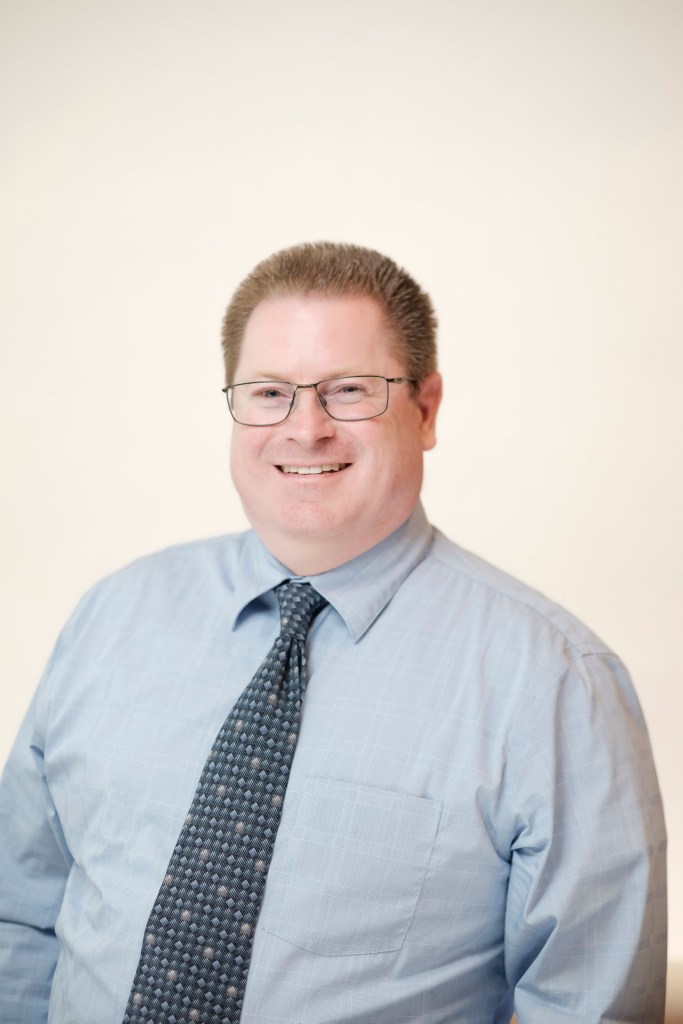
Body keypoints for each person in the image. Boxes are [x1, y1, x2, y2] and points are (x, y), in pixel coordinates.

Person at [0, 242, 667, 1023]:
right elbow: (22, 917)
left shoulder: (554, 680)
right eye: (269, 391)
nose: (304, 428)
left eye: (350, 390)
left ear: (426, 409)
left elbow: (584, 1004)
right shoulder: (114, 616)